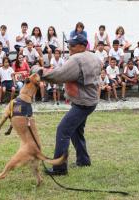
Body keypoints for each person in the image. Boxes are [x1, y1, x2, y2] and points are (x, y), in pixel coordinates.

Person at [39, 34, 101, 175]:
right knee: (75, 130)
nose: (69, 48)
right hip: (90, 100)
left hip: (83, 103)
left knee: (63, 130)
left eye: (72, 45)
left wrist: (39, 72)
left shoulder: (77, 59)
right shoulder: (94, 57)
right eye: (69, 45)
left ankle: (59, 168)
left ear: (82, 46)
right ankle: (83, 160)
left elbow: (59, 76)